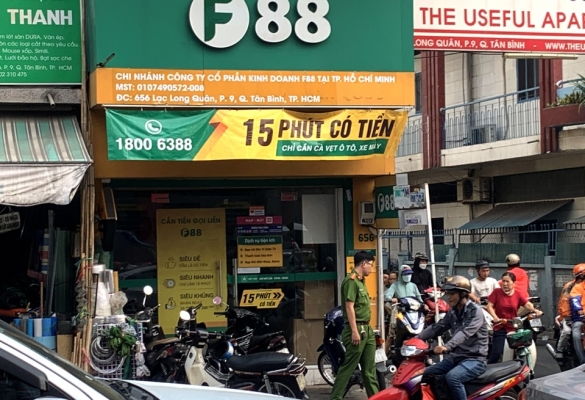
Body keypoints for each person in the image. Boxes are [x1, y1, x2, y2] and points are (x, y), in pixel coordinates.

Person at [417, 276, 488, 400]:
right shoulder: (453, 311)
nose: (448, 297)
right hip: (456, 358)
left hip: (475, 360)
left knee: (453, 377)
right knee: (423, 374)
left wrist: (446, 346)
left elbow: (464, 332)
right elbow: (439, 326)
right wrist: (417, 338)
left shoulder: (475, 311)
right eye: (447, 294)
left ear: (463, 294)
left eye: (452, 294)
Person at [329, 251, 378, 400]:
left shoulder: (360, 281)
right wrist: (354, 331)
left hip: (367, 329)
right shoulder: (351, 281)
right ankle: (335, 398)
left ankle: (375, 397)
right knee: (348, 368)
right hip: (356, 329)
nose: (371, 268)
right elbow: (349, 307)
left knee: (369, 370)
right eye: (370, 265)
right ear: (363, 264)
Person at [486, 272, 542, 364]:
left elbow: (527, 304)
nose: (505, 284)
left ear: (513, 283)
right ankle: (489, 369)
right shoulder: (497, 292)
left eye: (507, 281)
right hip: (501, 325)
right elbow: (489, 306)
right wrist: (495, 318)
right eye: (503, 281)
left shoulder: (517, 294)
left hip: (514, 326)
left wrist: (535, 310)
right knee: (496, 354)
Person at [551, 263, 585, 358]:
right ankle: (559, 350)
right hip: (570, 316)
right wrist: (577, 312)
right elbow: (567, 302)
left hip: (582, 317)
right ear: (581, 275)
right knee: (568, 331)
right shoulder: (570, 287)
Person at [569, 266, 585, 365]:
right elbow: (574, 300)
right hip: (580, 318)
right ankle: (582, 360)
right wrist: (579, 309)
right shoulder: (577, 287)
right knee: (576, 334)